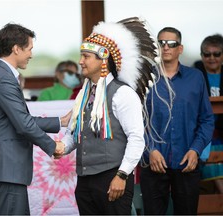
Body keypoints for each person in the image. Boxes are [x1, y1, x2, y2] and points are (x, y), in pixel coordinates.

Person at [56, 17, 165, 215]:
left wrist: (122, 175)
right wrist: (61, 147)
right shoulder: (84, 94)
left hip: (112, 178)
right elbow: (76, 132)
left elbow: (136, 138)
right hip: (85, 180)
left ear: (103, 59)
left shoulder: (122, 93)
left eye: (86, 56)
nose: (80, 61)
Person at [0, 23, 69, 215]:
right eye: (29, 49)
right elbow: (24, 124)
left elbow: (20, 119)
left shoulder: (1, 75)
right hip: (6, 168)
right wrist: (53, 146)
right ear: (16, 49)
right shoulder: (4, 79)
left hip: (5, 168)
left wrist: (61, 121)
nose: (31, 54)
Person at [140, 27, 214, 215]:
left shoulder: (195, 77)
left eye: (171, 43)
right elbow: (136, 121)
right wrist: (151, 150)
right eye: (161, 43)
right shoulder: (145, 79)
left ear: (180, 48)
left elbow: (206, 119)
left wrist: (196, 150)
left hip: (186, 162)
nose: (165, 47)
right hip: (154, 162)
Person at [194, 34, 223, 193]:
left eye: (216, 54)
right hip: (202, 133)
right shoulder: (193, 75)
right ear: (201, 56)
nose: (212, 58)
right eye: (207, 54)